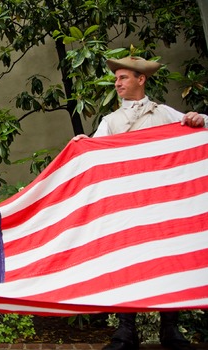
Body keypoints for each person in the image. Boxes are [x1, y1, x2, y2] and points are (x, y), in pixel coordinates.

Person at [73, 56, 207, 350]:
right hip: (127, 207)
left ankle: (170, 330)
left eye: (123, 78)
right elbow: (97, 156)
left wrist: (200, 119)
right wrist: (85, 144)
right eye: (117, 79)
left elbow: (201, 131)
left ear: (140, 79)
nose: (117, 83)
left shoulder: (166, 114)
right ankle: (125, 331)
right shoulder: (110, 122)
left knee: (170, 262)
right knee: (126, 262)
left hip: (164, 206)